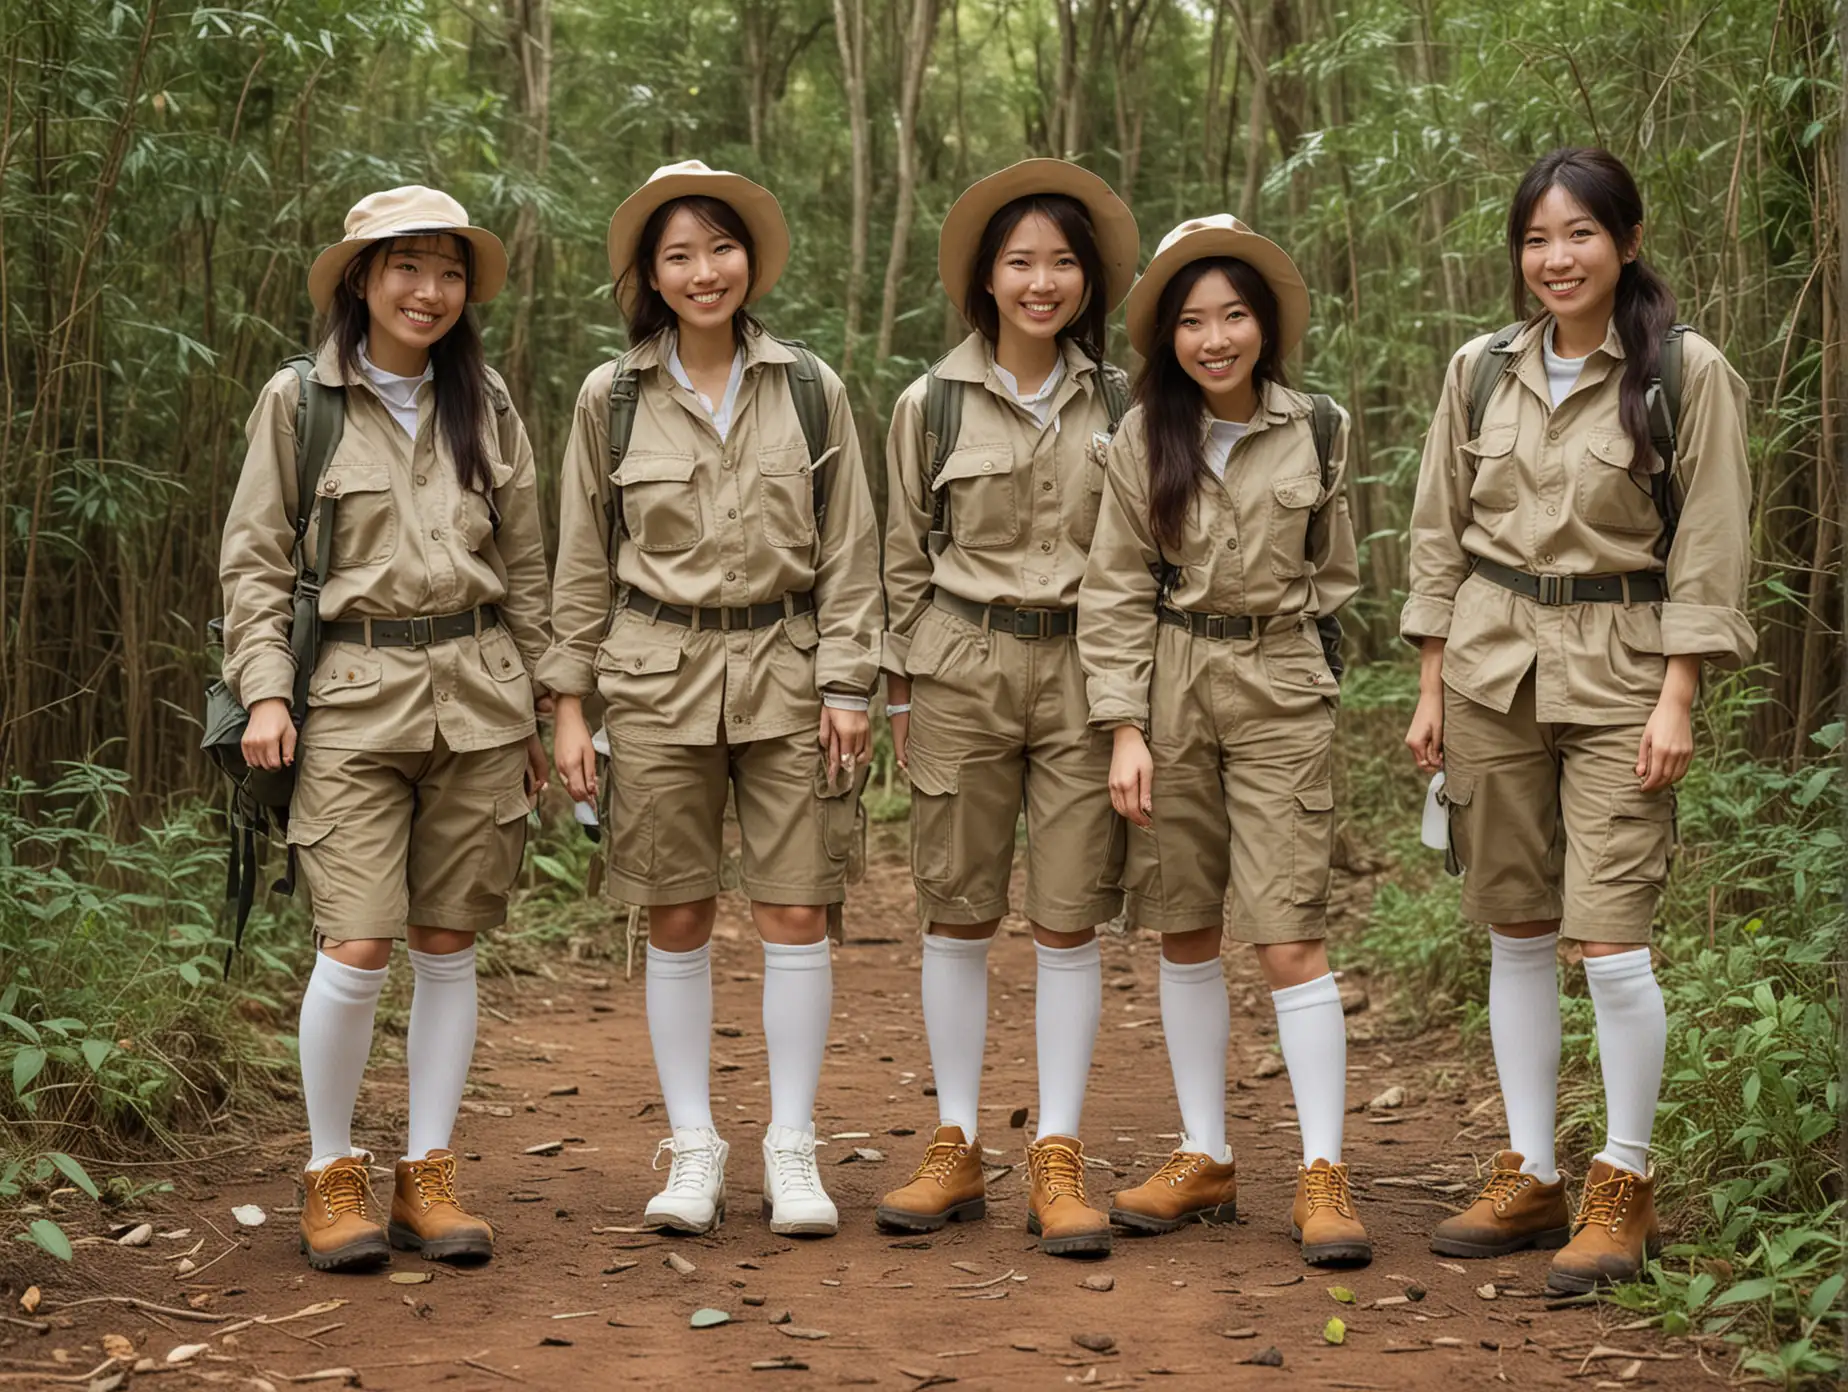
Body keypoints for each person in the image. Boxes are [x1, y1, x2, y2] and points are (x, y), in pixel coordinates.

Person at [1402, 148, 1753, 1292]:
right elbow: (1437, 533)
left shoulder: (1683, 373)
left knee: (1609, 938)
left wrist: (1681, 694)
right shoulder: (1479, 371)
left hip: (1623, 678)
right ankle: (1527, 1169)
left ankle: (1624, 1182)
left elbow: (1708, 544)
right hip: (1493, 673)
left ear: (1628, 241)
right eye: (1538, 240)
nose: (1557, 259)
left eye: (1581, 236)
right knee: (1514, 922)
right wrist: (1430, 684)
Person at [542, 161, 882, 1239]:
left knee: (795, 909)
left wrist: (849, 683)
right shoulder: (613, 399)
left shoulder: (811, 387)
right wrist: (567, 705)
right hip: (654, 679)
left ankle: (792, 1145)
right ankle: (694, 1146)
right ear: (649, 272)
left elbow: (853, 554)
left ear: (751, 261)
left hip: (789, 674)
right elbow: (581, 564)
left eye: (720, 249)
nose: (704, 272)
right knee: (677, 912)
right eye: (678, 254)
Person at [221, 186, 551, 1271]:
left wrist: (553, 705)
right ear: (360, 280)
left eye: (449, 271)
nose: (430, 290)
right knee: (358, 940)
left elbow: (531, 565)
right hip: (352, 700)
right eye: (406, 267)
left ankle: (429, 1175)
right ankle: (332, 1174)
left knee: (448, 944)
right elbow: (257, 561)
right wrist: (268, 689)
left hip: (481, 693)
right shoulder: (298, 402)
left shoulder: (486, 400)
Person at [1079, 215, 1371, 1267]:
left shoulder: (1321, 426)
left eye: (1234, 315)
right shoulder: (1135, 439)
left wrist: (1304, 664)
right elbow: (1111, 590)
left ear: (1265, 324)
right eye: (1193, 321)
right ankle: (1205, 1154)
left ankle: (1322, 1173)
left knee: (1290, 929)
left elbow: (1336, 573)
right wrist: (1124, 729)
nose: (1215, 339)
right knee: (1183, 924)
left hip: (1282, 682)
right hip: (1167, 686)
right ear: (1165, 335)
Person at [873, 160, 1140, 1257]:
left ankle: (1059, 1152)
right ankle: (954, 1143)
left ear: (1089, 279)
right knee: (958, 909)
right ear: (985, 278)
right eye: (1021, 261)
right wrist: (897, 696)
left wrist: (1136, 706)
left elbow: (1151, 554)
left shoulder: (1124, 402)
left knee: (1070, 914)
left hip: (1088, 670)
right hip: (957, 671)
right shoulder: (927, 405)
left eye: (1063, 261)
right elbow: (899, 558)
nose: (1042, 282)